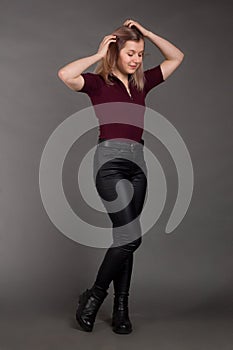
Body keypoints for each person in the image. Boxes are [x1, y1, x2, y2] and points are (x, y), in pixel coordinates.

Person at [58, 19, 184, 334]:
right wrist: (99, 53)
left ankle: (121, 310)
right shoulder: (99, 83)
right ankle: (94, 296)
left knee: (124, 240)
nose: (136, 60)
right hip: (109, 163)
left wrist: (149, 34)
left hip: (138, 165)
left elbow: (176, 58)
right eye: (131, 53)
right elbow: (65, 74)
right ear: (116, 52)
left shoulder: (142, 82)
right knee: (131, 238)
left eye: (140, 54)